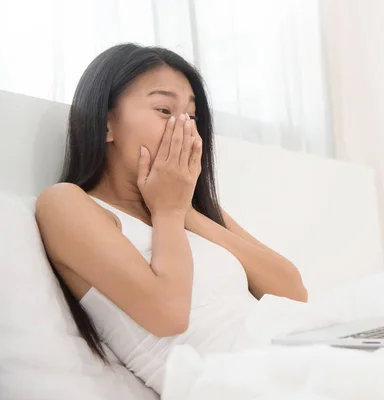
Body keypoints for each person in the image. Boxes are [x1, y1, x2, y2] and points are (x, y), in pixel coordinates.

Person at [35, 43, 308, 393]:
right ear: (106, 124)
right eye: (164, 109)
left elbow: (293, 293)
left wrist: (186, 212)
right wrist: (168, 212)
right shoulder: (66, 204)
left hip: (289, 349)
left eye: (192, 116)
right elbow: (168, 315)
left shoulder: (187, 210)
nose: (184, 127)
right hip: (233, 381)